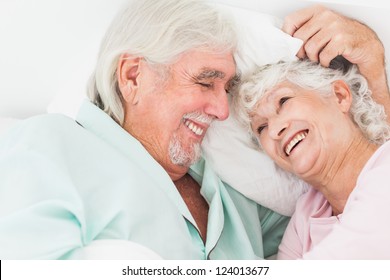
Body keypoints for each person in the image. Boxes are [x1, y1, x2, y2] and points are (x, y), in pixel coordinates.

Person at [0, 0, 385, 260]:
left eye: (226, 89)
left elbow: (358, 185)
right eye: (205, 82)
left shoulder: (238, 199)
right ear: (133, 76)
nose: (221, 110)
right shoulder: (49, 146)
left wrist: (371, 66)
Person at [234, 58, 390, 259]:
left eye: (284, 101)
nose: (273, 130)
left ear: (340, 96)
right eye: (261, 128)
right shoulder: (306, 216)